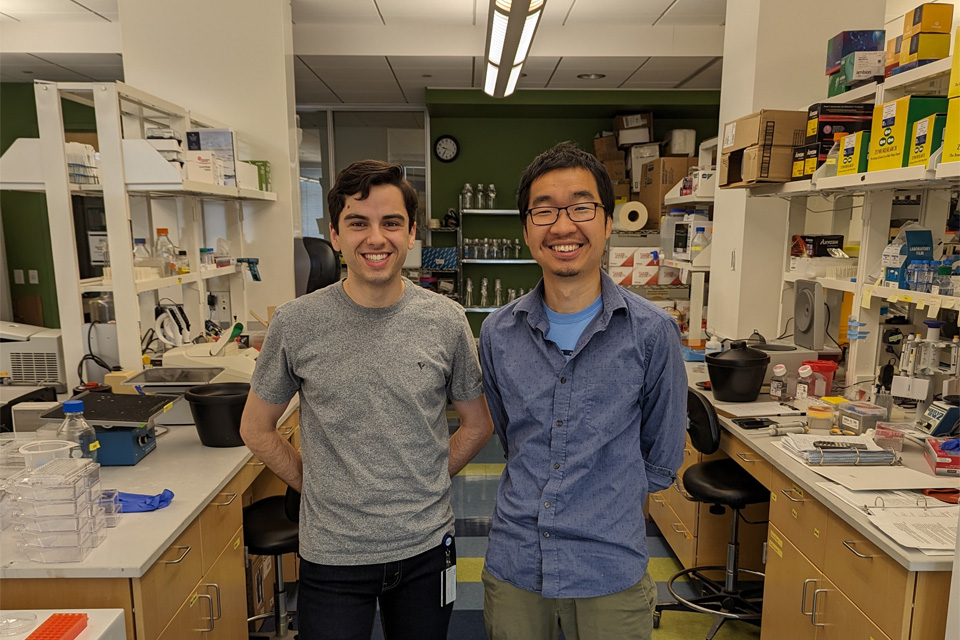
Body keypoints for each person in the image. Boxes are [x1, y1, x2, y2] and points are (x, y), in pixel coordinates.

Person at [240, 159, 494, 640]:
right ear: (335, 234)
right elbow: (255, 428)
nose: (376, 238)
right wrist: (316, 485)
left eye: (391, 222)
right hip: (334, 555)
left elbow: (478, 425)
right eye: (358, 223)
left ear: (411, 233)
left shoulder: (446, 320)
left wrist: (426, 481)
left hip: (425, 549)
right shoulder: (295, 323)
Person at [478, 142, 687, 640]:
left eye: (581, 206)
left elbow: (661, 458)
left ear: (608, 221)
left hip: (609, 568)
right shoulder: (497, 333)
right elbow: (513, 439)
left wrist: (603, 499)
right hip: (517, 565)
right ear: (527, 229)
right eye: (544, 210)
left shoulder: (653, 332)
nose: (563, 226)